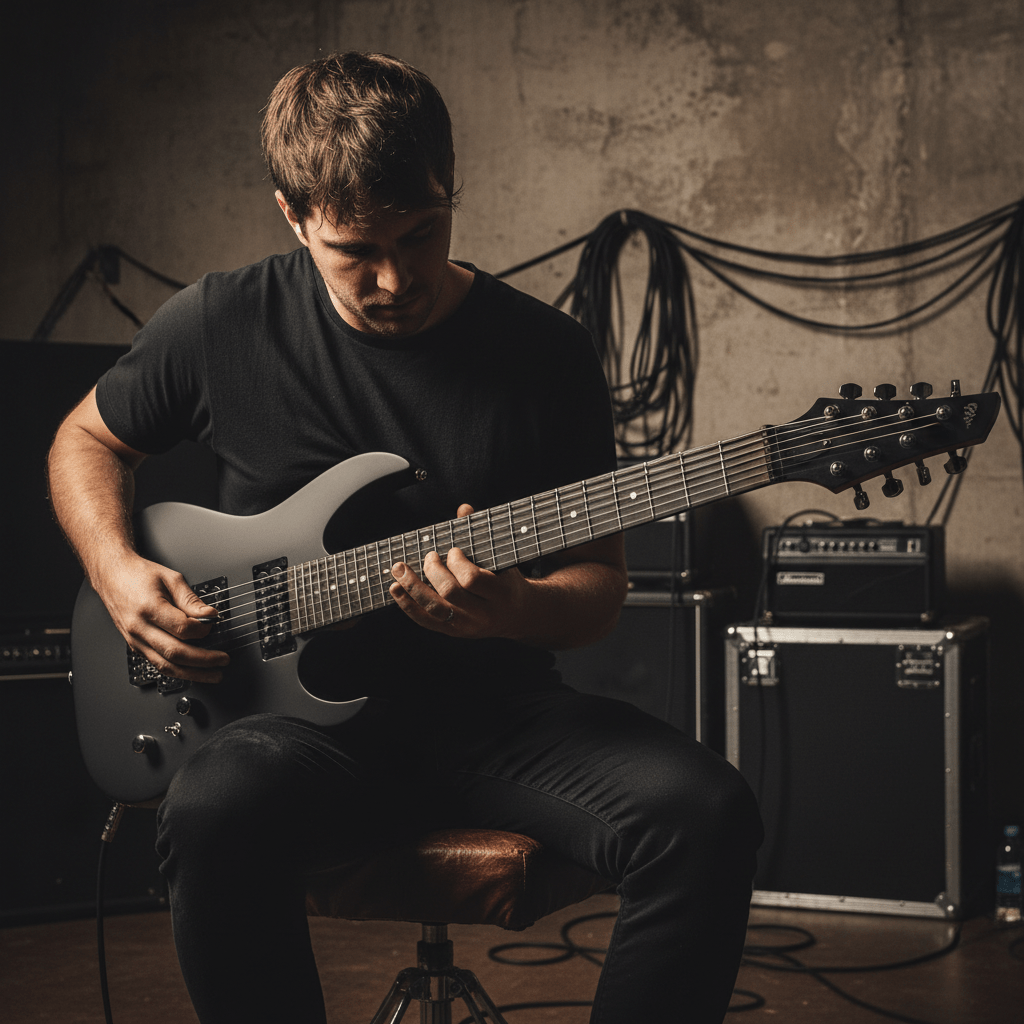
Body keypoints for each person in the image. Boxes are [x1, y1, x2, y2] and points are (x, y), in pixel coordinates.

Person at [47, 52, 762, 1023]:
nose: (395, 277)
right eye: (356, 250)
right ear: (293, 215)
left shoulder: (545, 354)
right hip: (299, 742)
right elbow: (86, 436)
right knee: (210, 804)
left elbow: (595, 587)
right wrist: (118, 570)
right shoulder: (220, 322)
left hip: (498, 720)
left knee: (706, 813)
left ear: (450, 190)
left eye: (423, 233)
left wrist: (516, 606)